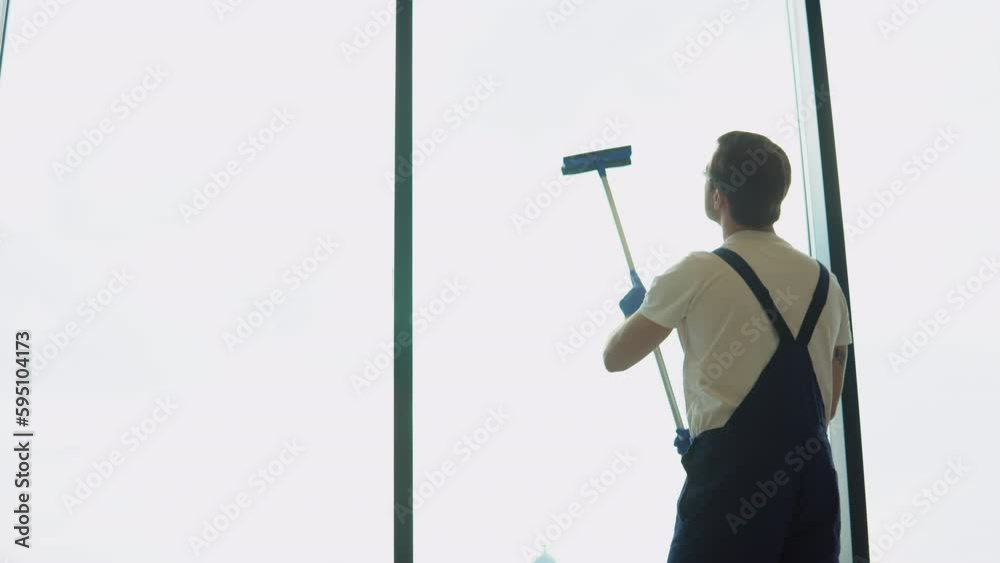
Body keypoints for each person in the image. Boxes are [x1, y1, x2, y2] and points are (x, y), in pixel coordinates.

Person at [601, 131, 853, 562]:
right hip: (812, 484)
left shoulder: (698, 271)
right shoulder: (826, 286)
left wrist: (642, 307)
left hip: (732, 481)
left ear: (718, 195)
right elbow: (826, 406)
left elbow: (615, 357)